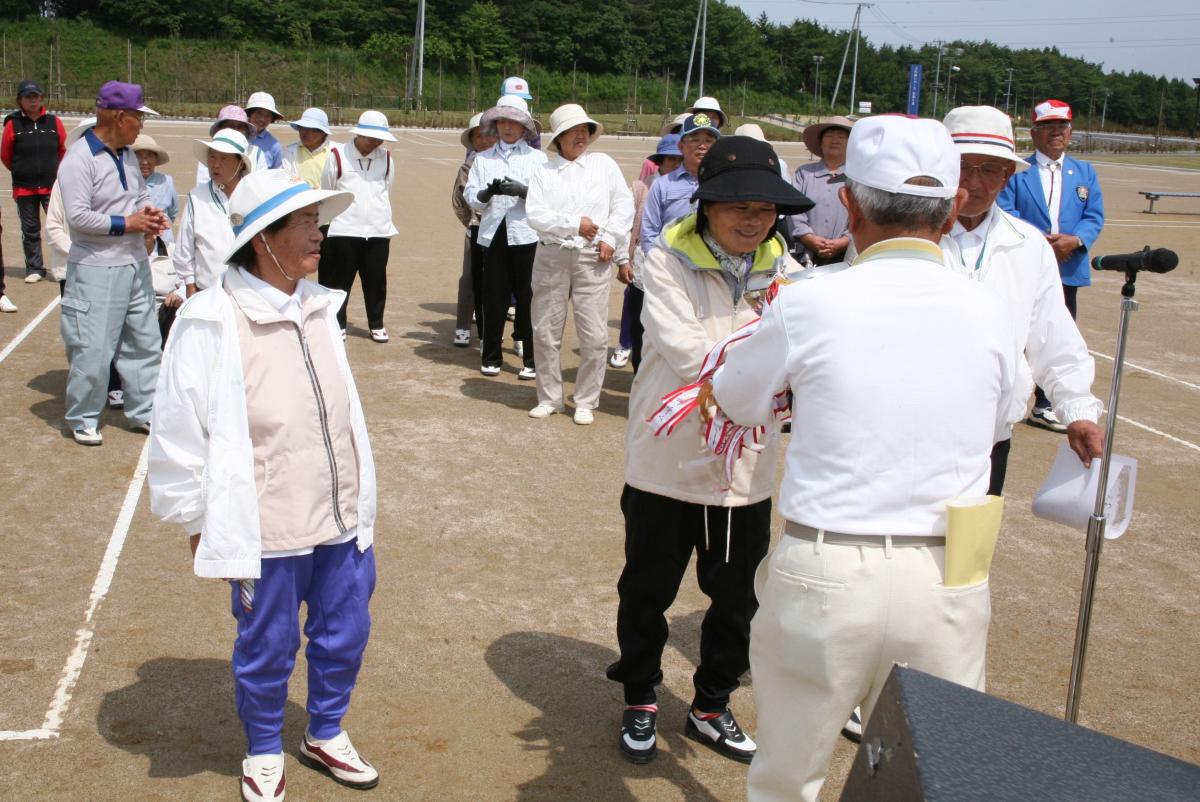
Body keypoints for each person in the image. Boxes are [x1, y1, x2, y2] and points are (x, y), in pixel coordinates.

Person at [707, 116, 1018, 802]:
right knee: (934, 776)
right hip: (947, 570)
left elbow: (735, 399)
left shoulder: (811, 302)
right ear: (951, 204)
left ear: (849, 202)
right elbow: (1005, 418)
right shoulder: (992, 309)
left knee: (789, 774)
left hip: (828, 565)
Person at [147, 169, 378, 802]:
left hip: (341, 512)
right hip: (267, 525)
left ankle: (325, 730)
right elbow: (178, 432)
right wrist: (198, 521)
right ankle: (265, 746)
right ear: (262, 241)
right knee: (268, 644)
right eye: (305, 223)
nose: (319, 234)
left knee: (346, 631)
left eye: (317, 221)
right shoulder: (210, 320)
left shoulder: (320, 306)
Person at [607, 135, 811, 766]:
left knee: (738, 598)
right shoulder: (663, 262)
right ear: (706, 204)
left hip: (744, 472)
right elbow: (690, 352)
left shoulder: (793, 275)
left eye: (765, 207)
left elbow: (806, 359)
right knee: (647, 589)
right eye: (737, 206)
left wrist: (780, 370)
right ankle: (640, 694)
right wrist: (774, 364)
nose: (753, 219)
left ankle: (710, 703)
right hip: (666, 465)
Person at [943, 105, 1104, 494]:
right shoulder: (908, 235)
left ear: (1008, 175)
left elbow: (1054, 335)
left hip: (992, 440)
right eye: (963, 165)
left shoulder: (1027, 245)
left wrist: (1077, 410)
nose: (974, 181)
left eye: (990, 169)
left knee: (971, 551)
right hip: (914, 433)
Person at [57, 81, 168, 446]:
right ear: (119, 117)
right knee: (93, 347)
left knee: (145, 341)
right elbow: (78, 218)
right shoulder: (78, 159)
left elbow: (138, 196)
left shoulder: (128, 155)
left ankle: (144, 409)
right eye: (138, 117)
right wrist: (128, 224)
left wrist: (150, 215)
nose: (141, 125)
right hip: (96, 267)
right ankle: (84, 416)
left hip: (134, 263)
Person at [998, 98, 1105, 432]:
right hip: (1026, 261)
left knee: (1060, 333)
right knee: (1016, 329)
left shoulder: (1084, 172)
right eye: (1047, 127)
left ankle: (1046, 404)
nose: (1055, 133)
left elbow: (1094, 216)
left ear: (1070, 132)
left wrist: (1075, 240)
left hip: (1069, 265)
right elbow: (1006, 209)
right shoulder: (1020, 172)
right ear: (1034, 132)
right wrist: (1040, 242)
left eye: (1061, 127)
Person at [525, 104, 634, 424]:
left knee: (595, 335)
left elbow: (623, 204)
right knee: (545, 331)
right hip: (551, 255)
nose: (581, 135)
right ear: (559, 138)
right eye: (574, 131)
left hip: (592, 258)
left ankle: (586, 399)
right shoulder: (543, 171)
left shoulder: (604, 164)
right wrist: (574, 224)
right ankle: (549, 398)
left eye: (585, 129)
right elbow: (536, 215)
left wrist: (612, 239)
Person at [463, 95, 546, 378]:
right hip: (492, 231)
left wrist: (523, 191)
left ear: (525, 127)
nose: (508, 127)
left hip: (527, 232)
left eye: (514, 122)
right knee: (493, 296)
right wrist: (487, 193)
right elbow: (471, 196)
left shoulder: (538, 159)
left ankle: (531, 360)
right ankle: (491, 356)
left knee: (528, 296)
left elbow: (547, 196)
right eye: (503, 121)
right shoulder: (482, 158)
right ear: (495, 125)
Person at [318, 110, 398, 343]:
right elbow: (328, 189)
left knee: (375, 280)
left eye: (379, 139)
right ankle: (338, 323)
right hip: (344, 229)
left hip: (378, 230)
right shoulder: (337, 155)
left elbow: (386, 189)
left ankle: (376, 323)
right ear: (359, 134)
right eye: (371, 137)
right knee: (339, 281)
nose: (376, 143)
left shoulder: (387, 158)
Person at [612, 135, 682, 371]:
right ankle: (635, 364)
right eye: (672, 159)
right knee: (638, 317)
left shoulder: (692, 186)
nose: (677, 164)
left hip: (677, 265)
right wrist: (623, 260)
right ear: (660, 161)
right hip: (643, 261)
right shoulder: (640, 187)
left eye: (680, 159)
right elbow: (625, 226)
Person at [174, 129, 253, 298]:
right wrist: (190, 285)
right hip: (206, 292)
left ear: (241, 164)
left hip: (247, 292)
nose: (215, 164)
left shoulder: (254, 196)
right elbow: (184, 248)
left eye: (224, 158)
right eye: (212, 157)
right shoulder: (197, 197)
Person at [2, 79, 67, 284]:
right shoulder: (13, 124)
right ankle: (35, 268)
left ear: (41, 98)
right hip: (24, 187)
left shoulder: (54, 121)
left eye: (36, 96)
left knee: (58, 227)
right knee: (29, 230)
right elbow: (5, 154)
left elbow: (63, 150)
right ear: (20, 100)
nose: (32, 101)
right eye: (28, 97)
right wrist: (22, 170)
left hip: (52, 185)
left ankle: (62, 268)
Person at [451, 112, 496, 348]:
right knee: (469, 279)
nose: (485, 140)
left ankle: (493, 329)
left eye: (490, 135)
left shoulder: (502, 162)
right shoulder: (468, 166)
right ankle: (462, 326)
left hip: (504, 232)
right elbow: (458, 202)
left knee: (498, 281)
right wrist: (471, 223)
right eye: (479, 136)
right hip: (476, 230)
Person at [789, 116, 853, 265]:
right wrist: (808, 237)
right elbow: (793, 210)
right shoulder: (803, 173)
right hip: (805, 254)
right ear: (821, 141)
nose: (835, 140)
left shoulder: (857, 177)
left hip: (846, 255)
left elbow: (863, 215)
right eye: (830, 135)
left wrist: (844, 241)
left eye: (841, 136)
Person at [196, 105, 270, 183]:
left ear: (246, 130)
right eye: (230, 126)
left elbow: (262, 183)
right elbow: (203, 183)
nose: (235, 130)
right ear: (219, 129)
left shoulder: (256, 154)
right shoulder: (209, 151)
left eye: (240, 126)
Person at [133, 135, 178, 244]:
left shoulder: (167, 181)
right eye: (139, 156)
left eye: (149, 156)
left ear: (156, 159)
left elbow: (173, 213)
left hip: (162, 243)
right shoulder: (125, 182)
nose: (144, 162)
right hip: (134, 243)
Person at [283, 107, 334, 189]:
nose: (305, 133)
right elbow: (285, 179)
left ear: (323, 133)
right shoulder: (289, 152)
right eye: (302, 128)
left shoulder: (336, 152)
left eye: (312, 130)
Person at [245, 91, 284, 169]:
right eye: (259, 113)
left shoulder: (274, 146)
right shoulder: (236, 134)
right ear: (250, 113)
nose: (262, 119)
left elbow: (277, 174)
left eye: (267, 116)